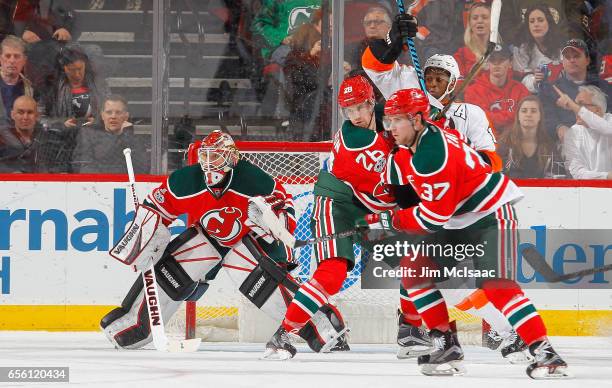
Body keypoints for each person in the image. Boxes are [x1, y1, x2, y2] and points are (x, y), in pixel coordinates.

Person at [358, 88, 569, 379]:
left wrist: (388, 221)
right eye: (389, 120)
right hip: (457, 220)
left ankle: (545, 352)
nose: (390, 127)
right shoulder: (415, 147)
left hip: (490, 214)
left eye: (397, 120)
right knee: (414, 270)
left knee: (495, 284)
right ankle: (445, 345)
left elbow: (432, 217)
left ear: (418, 120)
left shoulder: (430, 155)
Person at [101, 130, 348, 354]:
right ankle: (133, 325)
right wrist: (147, 236)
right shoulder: (186, 180)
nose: (209, 164)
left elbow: (284, 207)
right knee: (170, 271)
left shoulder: (252, 179)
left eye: (216, 157)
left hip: (248, 240)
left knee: (265, 286)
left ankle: (324, 327)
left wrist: (273, 222)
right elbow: (155, 207)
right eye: (206, 157)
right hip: (209, 237)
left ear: (232, 158)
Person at [262, 74, 395, 360]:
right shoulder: (356, 140)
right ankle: (285, 332)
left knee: (410, 260)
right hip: (335, 204)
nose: (356, 115)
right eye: (349, 110)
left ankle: (412, 328)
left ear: (372, 102)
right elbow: (386, 191)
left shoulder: (387, 118)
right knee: (332, 274)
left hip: (361, 204)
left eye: (360, 107)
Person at [362, 18, 502, 171]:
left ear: (453, 83)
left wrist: (452, 148)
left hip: (451, 186)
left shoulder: (471, 114)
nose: (433, 83)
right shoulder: (411, 89)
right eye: (429, 78)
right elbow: (374, 67)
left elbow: (492, 163)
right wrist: (391, 44)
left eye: (439, 79)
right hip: (408, 177)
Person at [538, 38, 611, 142]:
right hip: (564, 145)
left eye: (576, 56)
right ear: (562, 61)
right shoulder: (551, 89)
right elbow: (546, 118)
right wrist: (558, 128)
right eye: (567, 57)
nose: (572, 60)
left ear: (587, 60)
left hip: (600, 142)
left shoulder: (604, 88)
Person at [71, 95, 149, 174]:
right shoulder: (88, 136)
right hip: (96, 185)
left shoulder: (134, 139)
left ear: (126, 116)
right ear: (102, 115)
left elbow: (142, 169)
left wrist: (127, 136)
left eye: (118, 112)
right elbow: (82, 167)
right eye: (109, 112)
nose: (113, 116)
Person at [465, 44, 530, 137]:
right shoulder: (473, 91)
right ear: (488, 63)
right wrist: (513, 116)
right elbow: (481, 120)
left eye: (501, 60)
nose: (496, 64)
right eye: (492, 60)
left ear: (510, 63)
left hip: (515, 141)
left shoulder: (520, 90)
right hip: (486, 141)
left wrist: (494, 118)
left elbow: (526, 118)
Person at [558, 85, 612, 179]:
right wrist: (606, 176)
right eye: (575, 105)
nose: (576, 110)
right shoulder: (573, 132)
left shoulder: (609, 121)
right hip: (586, 189)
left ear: (598, 110)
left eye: (581, 105)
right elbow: (577, 172)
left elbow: (607, 129)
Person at [498, 95, 556, 178]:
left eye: (533, 111)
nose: (528, 114)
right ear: (518, 116)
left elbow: (557, 176)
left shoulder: (549, 146)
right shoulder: (505, 143)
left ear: (540, 116)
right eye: (524, 111)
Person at [511, 3, 564, 93]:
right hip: (533, 96)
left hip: (562, 92)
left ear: (549, 22)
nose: (536, 24)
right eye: (532, 21)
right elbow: (520, 78)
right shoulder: (521, 49)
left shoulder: (562, 46)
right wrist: (535, 81)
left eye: (540, 20)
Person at [250, 0, 321, 61]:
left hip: (319, 47)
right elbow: (259, 24)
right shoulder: (277, 2)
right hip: (285, 49)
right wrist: (282, 37)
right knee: (295, 62)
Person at [0, 95, 42, 172]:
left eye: (30, 112)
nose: (25, 117)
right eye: (20, 112)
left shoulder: (46, 137)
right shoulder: (2, 138)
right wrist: (11, 172)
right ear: (12, 115)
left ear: (37, 116)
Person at [453, 2, 492, 78]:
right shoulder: (461, 55)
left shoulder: (501, 52)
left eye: (484, 17)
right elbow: (458, 86)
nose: (480, 21)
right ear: (470, 23)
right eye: (475, 18)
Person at [0, 35, 32, 123]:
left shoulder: (30, 88)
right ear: (0, 59)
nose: (12, 61)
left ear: (24, 60)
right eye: (7, 56)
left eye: (16, 56)